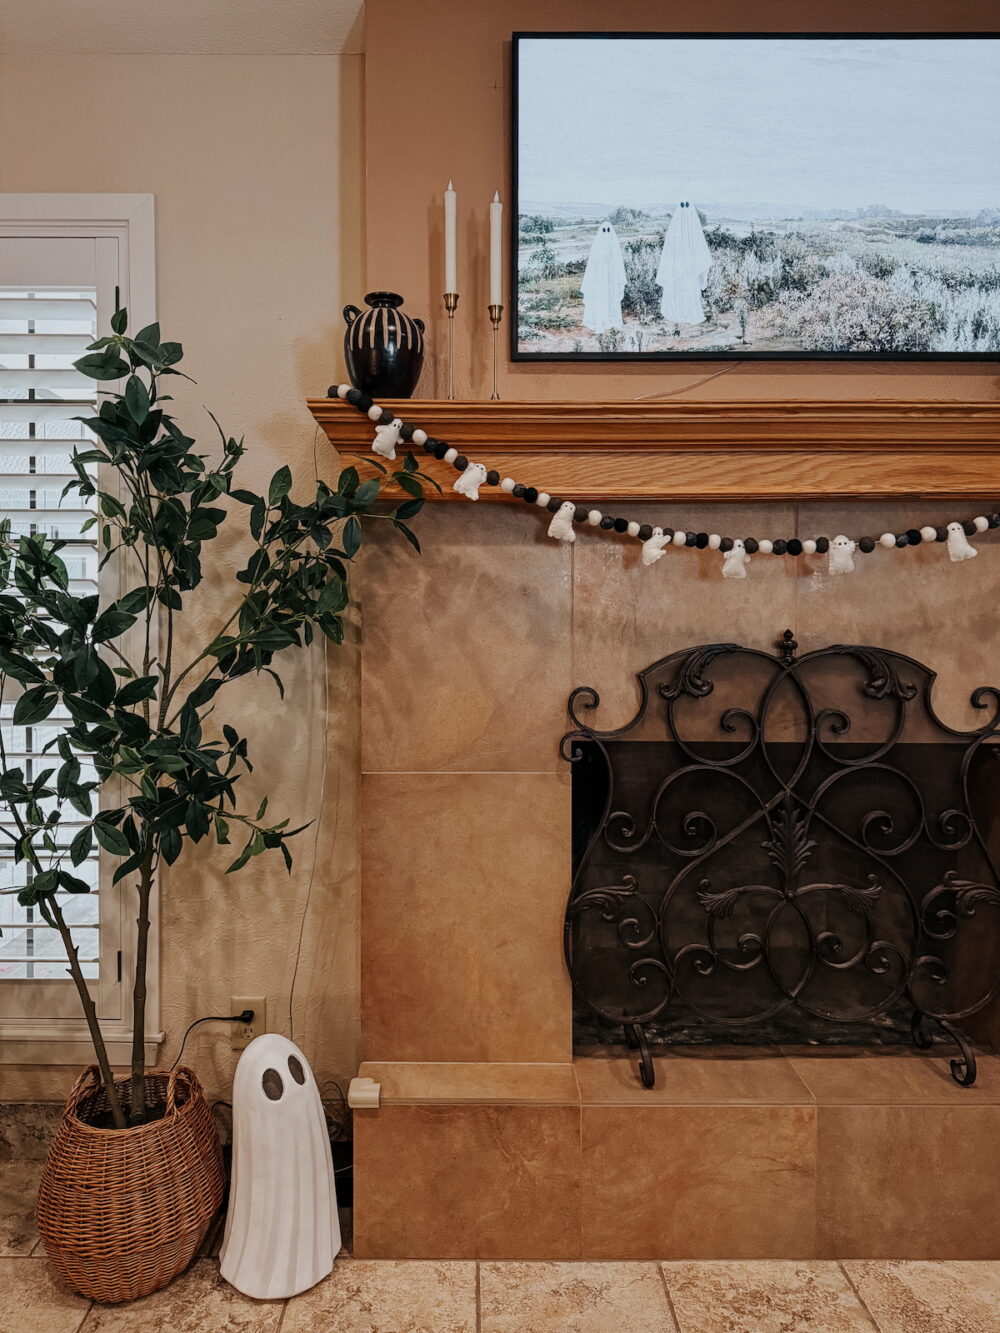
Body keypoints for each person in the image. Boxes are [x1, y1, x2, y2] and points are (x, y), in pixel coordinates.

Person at [656, 201, 712, 325]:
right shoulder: (674, 229)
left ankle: (688, 313)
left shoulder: (694, 229)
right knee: (677, 288)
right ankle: (676, 313)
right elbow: (668, 251)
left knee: (690, 288)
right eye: (682, 205)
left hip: (690, 269)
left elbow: (701, 249)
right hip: (676, 269)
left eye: (687, 205)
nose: (684, 209)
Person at [580, 219, 627, 333]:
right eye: (604, 230)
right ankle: (598, 320)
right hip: (599, 283)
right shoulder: (596, 249)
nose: (606, 233)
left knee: (611, 299)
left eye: (609, 230)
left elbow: (618, 267)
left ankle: (611, 320)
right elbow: (592, 267)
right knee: (599, 300)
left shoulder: (614, 250)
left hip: (611, 282)